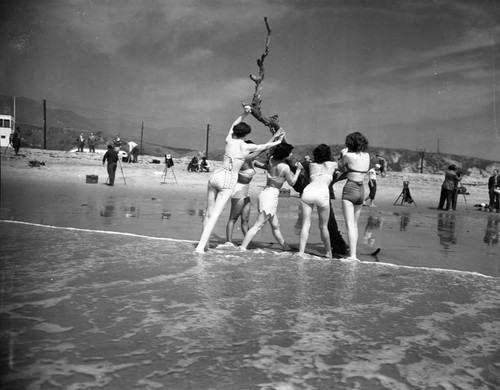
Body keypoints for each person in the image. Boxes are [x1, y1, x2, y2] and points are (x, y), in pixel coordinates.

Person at [194, 105, 285, 253]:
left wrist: (244, 113)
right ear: (246, 134)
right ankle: (200, 248)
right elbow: (265, 146)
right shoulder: (246, 147)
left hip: (216, 174)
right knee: (215, 215)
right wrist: (278, 141)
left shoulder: (229, 140)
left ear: (236, 131)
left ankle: (205, 244)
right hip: (229, 179)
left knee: (209, 212)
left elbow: (233, 125)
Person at [240, 142, 303, 252]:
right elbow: (292, 182)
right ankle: (243, 247)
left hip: (265, 193)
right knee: (258, 225)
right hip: (271, 196)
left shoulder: (272, 159)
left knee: (275, 225)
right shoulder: (285, 167)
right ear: (285, 154)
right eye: (290, 153)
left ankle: (285, 246)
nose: (291, 154)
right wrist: (298, 170)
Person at [298, 144, 338, 258]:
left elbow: (298, 164)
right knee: (323, 226)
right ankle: (328, 252)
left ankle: (301, 252)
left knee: (305, 224)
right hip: (322, 192)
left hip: (309, 191)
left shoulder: (311, 164)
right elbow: (346, 167)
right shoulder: (333, 164)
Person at [340, 132, 370, 260]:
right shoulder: (367, 155)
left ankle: (352, 256)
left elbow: (341, 167)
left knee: (349, 225)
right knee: (355, 225)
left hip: (350, 188)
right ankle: (354, 253)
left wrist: (342, 154)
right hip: (361, 189)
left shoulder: (348, 155)